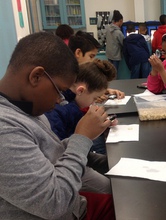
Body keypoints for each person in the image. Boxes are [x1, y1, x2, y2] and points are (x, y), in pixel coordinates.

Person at [0, 32, 115, 219]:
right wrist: (82, 138)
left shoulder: (26, 109)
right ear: (36, 76)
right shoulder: (5, 130)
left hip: (75, 205)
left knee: (125, 199)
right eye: (60, 91)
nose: (61, 100)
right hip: (63, 208)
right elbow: (55, 203)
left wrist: (83, 137)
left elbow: (52, 154)